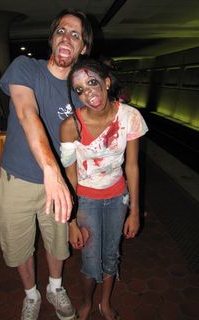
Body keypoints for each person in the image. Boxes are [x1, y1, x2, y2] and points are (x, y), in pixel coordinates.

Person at [0, 9, 93, 320]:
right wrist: (51, 172)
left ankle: (54, 286)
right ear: (52, 38)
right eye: (62, 31)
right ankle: (31, 294)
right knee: (19, 247)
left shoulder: (79, 93)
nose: (67, 38)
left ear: (83, 48)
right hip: (19, 180)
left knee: (56, 243)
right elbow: (26, 113)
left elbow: (81, 149)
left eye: (76, 35)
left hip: (60, 183)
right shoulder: (25, 68)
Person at [60, 59, 148, 320]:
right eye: (79, 89)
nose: (88, 93)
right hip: (85, 200)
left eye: (92, 82)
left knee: (111, 253)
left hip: (117, 198)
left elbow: (132, 167)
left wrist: (135, 211)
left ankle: (105, 303)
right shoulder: (70, 126)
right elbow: (70, 176)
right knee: (89, 260)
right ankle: (87, 301)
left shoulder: (130, 117)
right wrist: (71, 221)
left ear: (107, 82)